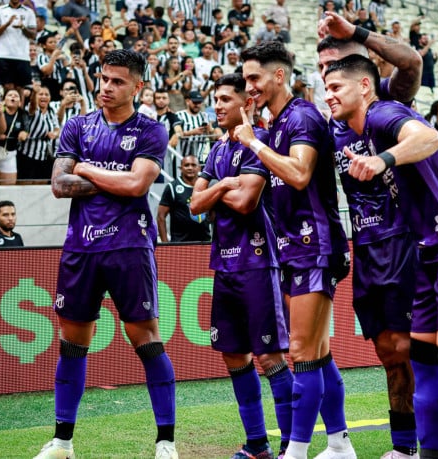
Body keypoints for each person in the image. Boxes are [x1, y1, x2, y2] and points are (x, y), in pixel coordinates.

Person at [324, 54, 438, 459]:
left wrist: (381, 159)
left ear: (364, 86)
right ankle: (428, 454)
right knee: (421, 358)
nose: (328, 95)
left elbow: (430, 138)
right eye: (326, 87)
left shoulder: (384, 114)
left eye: (336, 87)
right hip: (429, 247)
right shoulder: (354, 132)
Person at [34, 49, 178, 459]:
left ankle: (165, 441)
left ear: (138, 86)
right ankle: (62, 442)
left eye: (117, 81)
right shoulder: (77, 126)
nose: (106, 87)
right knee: (72, 341)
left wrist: (86, 169)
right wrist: (113, 177)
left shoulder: (151, 130)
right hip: (80, 246)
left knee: (145, 339)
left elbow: (136, 186)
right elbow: (59, 185)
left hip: (129, 245)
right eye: (103, 79)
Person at [236, 41, 352, 459]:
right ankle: (339, 444)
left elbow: (300, 174)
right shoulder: (279, 121)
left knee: (301, 352)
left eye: (254, 78)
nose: (249, 87)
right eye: (245, 79)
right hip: (295, 249)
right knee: (318, 354)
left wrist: (254, 143)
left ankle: (297, 451)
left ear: (279, 75)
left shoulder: (300, 116)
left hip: (314, 246)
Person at [189, 72, 292, 459]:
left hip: (258, 261)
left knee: (269, 357)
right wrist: (223, 185)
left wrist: (219, 190)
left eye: (225, 99)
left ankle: (290, 448)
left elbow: (248, 201)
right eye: (215, 99)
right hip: (225, 264)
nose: (217, 105)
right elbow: (195, 206)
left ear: (246, 103)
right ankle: (256, 445)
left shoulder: (259, 143)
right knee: (234, 356)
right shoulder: (216, 151)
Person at [156, 153, 211, 243]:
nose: (190, 168)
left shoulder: (206, 187)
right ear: (181, 168)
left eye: (193, 165)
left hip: (204, 242)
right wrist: (165, 244)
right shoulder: (172, 187)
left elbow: (213, 214)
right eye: (186, 165)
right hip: (180, 243)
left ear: (199, 168)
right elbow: (161, 216)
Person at [0, 0, 37, 93]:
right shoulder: (0, 10)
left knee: (20, 89)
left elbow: (33, 35)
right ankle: (5, 108)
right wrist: (7, 23)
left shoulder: (29, 12)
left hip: (22, 56)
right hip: (4, 54)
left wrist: (23, 27)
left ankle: (20, 108)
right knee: (7, 87)